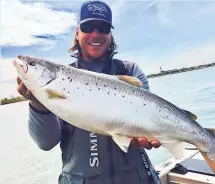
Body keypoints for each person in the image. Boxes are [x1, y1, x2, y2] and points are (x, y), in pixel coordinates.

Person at [15, 1, 161, 183]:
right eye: (88, 27)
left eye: (103, 28)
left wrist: (147, 133)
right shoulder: (60, 82)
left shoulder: (130, 71)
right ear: (77, 32)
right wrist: (38, 104)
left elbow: (149, 119)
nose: (95, 34)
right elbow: (46, 143)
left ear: (110, 34)